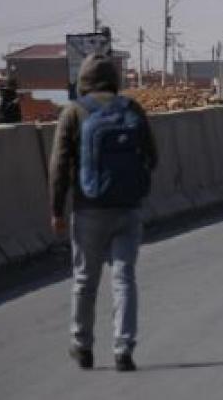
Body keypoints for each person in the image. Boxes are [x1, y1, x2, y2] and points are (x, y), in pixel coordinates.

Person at [49, 54, 158, 372]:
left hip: (89, 210)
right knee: (124, 278)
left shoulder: (73, 112)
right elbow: (153, 157)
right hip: (128, 209)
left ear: (83, 80)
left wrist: (57, 209)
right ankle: (124, 348)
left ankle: (82, 346)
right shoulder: (132, 109)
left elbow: (58, 166)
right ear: (114, 79)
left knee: (85, 279)